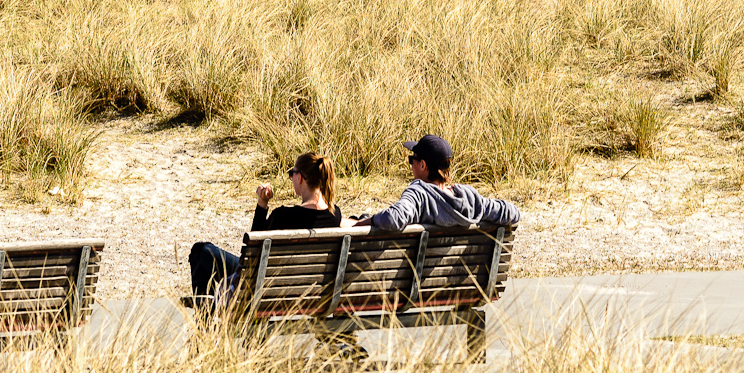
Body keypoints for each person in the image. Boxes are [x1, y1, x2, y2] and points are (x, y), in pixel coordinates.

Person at [189, 152, 343, 301]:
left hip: (268, 288)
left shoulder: (283, 216)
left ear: (300, 178)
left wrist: (262, 204)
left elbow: (253, 254)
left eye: (292, 173)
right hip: (315, 292)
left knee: (201, 251)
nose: (291, 177)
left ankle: (206, 323)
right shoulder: (335, 215)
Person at [349, 134, 521, 232]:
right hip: (465, 283)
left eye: (412, 159)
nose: (411, 164)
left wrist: (367, 221)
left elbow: (395, 218)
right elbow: (513, 213)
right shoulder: (468, 197)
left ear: (423, 165)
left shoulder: (419, 195)